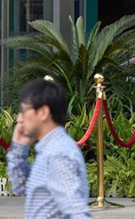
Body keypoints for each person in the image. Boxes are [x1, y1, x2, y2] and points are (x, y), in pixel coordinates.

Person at [6, 78, 92, 219]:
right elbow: (21, 186)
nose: (19, 118)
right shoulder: (51, 149)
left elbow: (77, 212)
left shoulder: (57, 155)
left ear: (43, 112)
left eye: (24, 110)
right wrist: (19, 149)